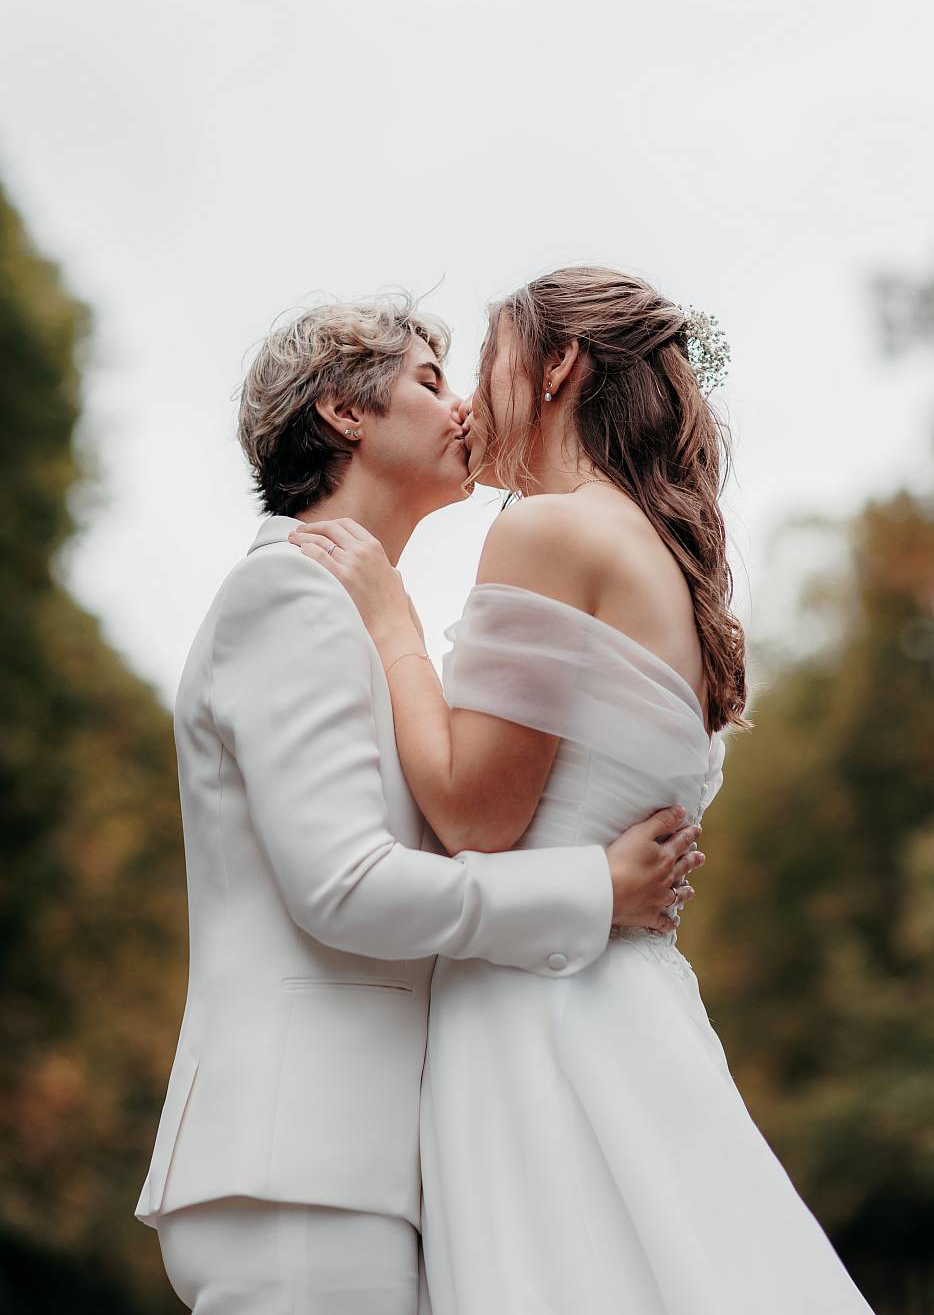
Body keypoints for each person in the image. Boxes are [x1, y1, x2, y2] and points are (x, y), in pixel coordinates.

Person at [290, 267, 875, 1314]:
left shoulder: (550, 530)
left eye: (487, 361)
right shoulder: (668, 563)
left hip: (537, 1021)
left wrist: (389, 618)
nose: (470, 396)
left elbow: (474, 811)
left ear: (558, 365)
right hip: (631, 1009)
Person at [134, 293, 707, 1314]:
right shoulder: (290, 595)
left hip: (353, 1169)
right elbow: (343, 885)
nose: (461, 409)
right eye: (429, 381)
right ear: (344, 415)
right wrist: (592, 887)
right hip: (296, 1165)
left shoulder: (355, 618)